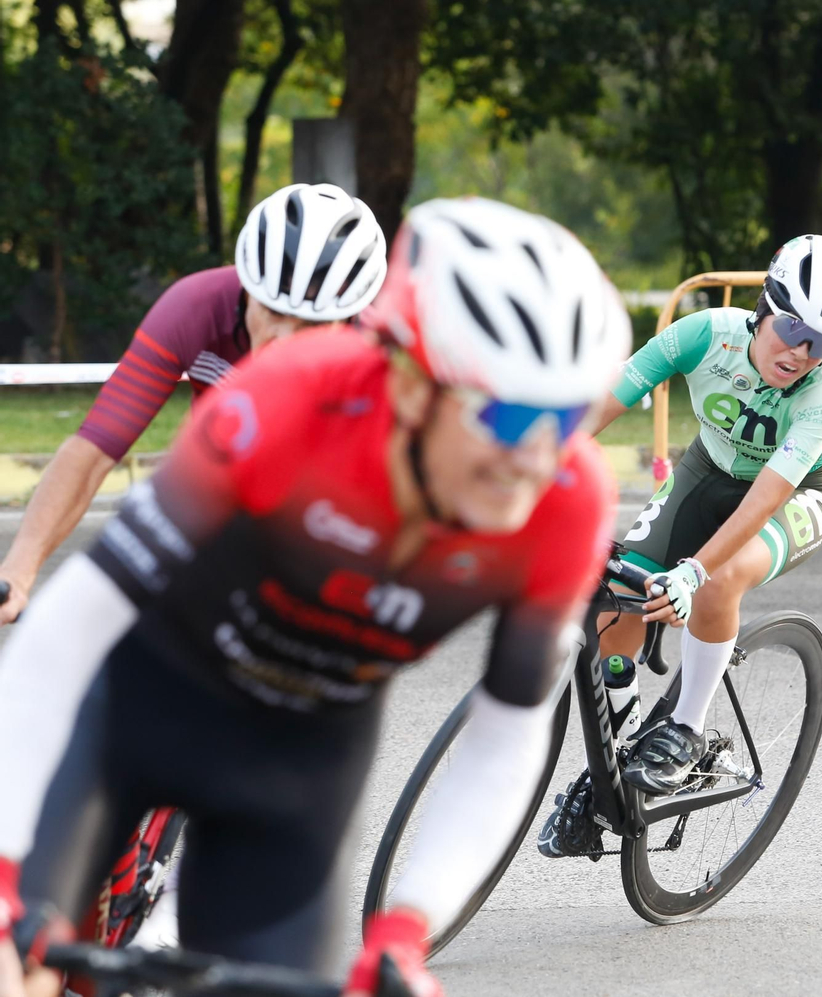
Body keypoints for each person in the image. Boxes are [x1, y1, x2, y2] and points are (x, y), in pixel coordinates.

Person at [0, 197, 630, 997]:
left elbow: (508, 732)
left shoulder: (569, 499)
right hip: (134, 718)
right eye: (510, 414)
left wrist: (403, 932)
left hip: (292, 776)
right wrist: (6, 868)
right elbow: (73, 627)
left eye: (568, 415)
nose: (540, 456)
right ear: (409, 386)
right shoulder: (287, 399)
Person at [539, 232, 822, 853]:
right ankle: (619, 751)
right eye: (795, 329)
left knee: (719, 578)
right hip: (705, 472)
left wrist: (692, 572)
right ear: (765, 305)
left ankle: (687, 730)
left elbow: (766, 499)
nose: (803, 351)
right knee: (617, 592)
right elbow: (604, 403)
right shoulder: (705, 334)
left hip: (797, 496)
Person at [0, 182, 387, 625]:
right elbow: (94, 450)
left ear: (354, 316)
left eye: (312, 325)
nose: (283, 339)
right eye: (273, 312)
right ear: (246, 286)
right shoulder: (194, 308)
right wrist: (19, 571)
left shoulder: (385, 349)